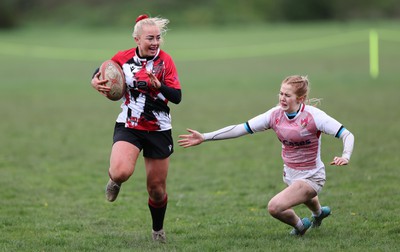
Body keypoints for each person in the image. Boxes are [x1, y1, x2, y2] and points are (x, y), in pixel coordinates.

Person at [178, 75, 354, 236]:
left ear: (300, 99)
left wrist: (345, 156)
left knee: (275, 207)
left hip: (313, 176)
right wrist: (205, 137)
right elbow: (241, 128)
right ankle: (319, 213)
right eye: (281, 93)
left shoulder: (314, 117)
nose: (282, 98)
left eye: (287, 95)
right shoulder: (274, 115)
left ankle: (300, 226)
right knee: (301, 192)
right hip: (290, 173)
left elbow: (347, 134)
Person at [90, 14, 182, 243]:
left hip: (159, 128)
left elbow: (177, 97)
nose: (155, 43)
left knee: (157, 190)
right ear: (137, 39)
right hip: (129, 124)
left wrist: (159, 86)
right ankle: (115, 180)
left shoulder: (166, 62)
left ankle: (158, 231)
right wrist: (94, 79)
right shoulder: (124, 57)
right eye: (150, 38)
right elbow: (104, 68)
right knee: (121, 171)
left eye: (158, 38)